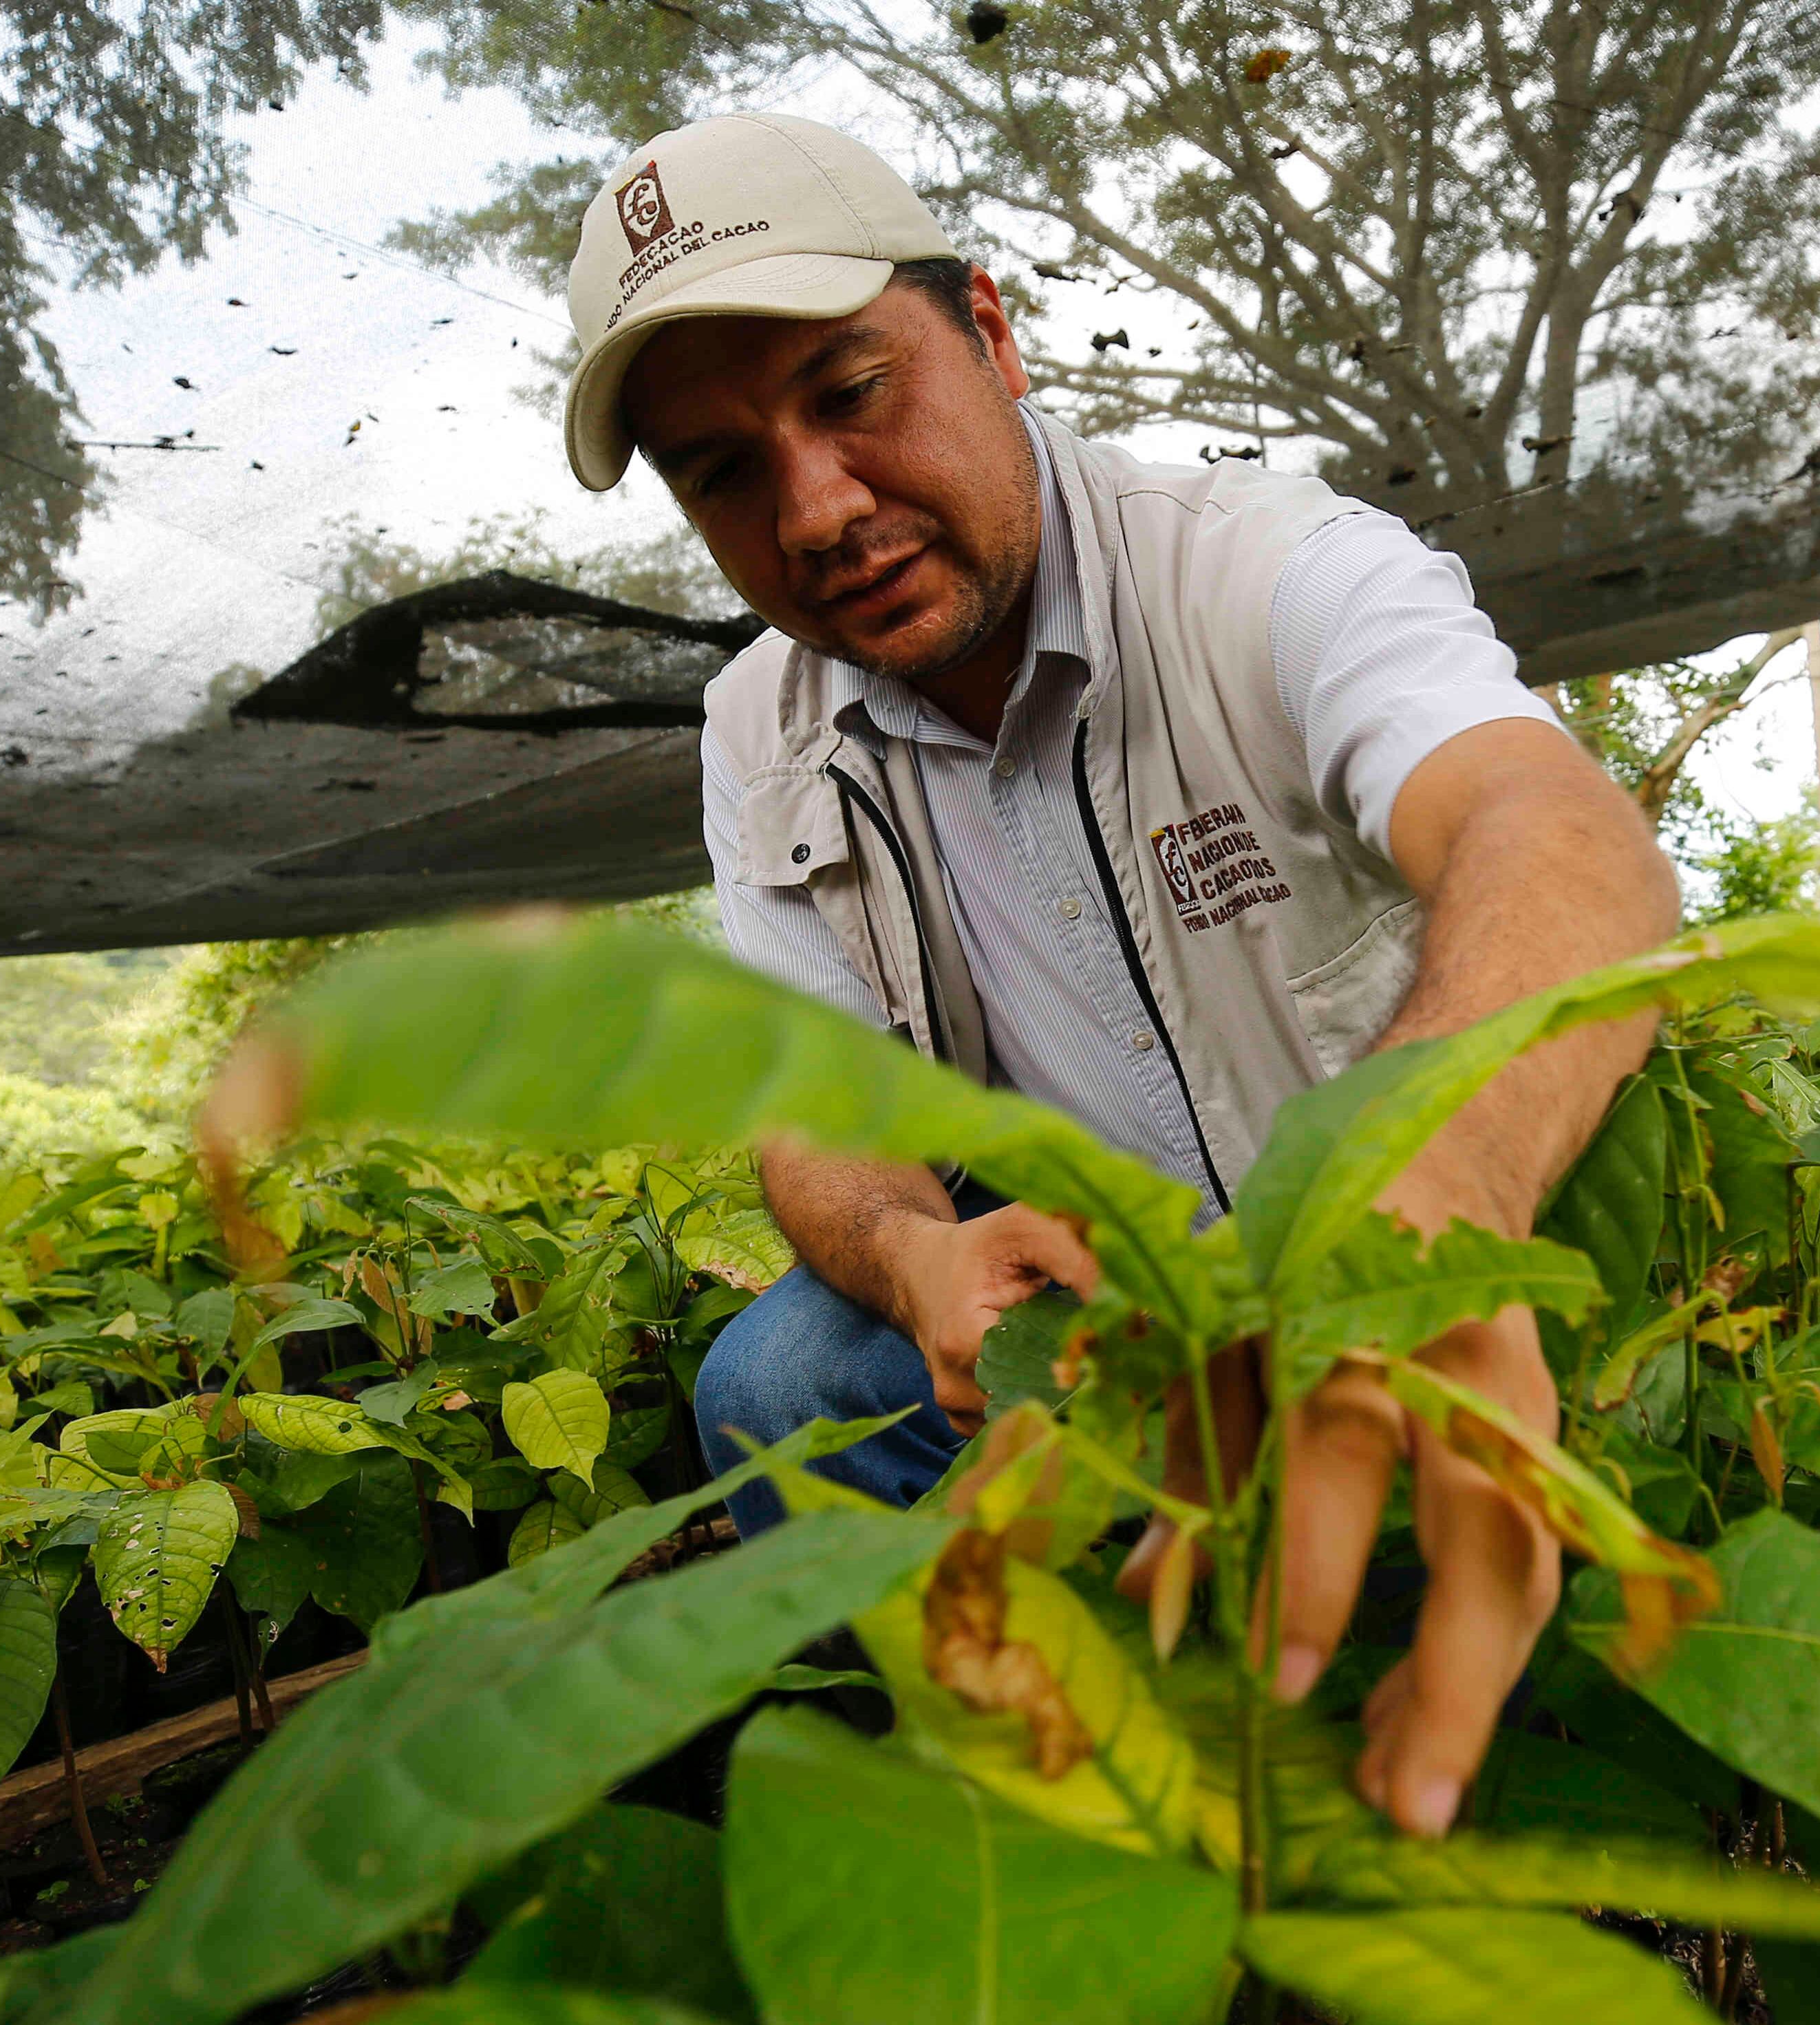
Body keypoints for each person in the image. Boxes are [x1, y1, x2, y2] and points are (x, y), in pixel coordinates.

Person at [557, 112, 1680, 1839]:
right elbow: (814, 1109)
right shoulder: (756, 733)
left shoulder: (1256, 566)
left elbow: (1556, 835)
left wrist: (1430, 1197)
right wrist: (921, 1260)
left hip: (1390, 1276)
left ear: (990, 336)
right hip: (1107, 1323)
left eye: (850, 391)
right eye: (719, 471)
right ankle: (1030, 1799)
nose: (818, 511)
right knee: (779, 1384)